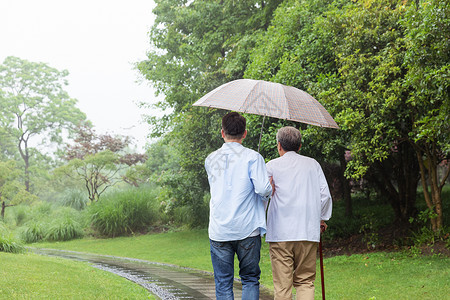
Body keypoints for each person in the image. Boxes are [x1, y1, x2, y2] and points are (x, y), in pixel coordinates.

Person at [205, 112, 272, 300]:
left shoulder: (211, 159)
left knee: (223, 281)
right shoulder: (253, 157)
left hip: (219, 230)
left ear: (222, 132)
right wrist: (269, 187)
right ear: (245, 133)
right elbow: (262, 189)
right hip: (247, 229)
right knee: (250, 279)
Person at [266, 126, 332, 300]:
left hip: (280, 234)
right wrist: (322, 219)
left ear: (279, 145)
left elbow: (262, 195)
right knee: (305, 281)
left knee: (282, 285)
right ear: (300, 146)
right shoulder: (313, 164)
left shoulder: (271, 166)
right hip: (307, 231)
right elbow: (324, 196)